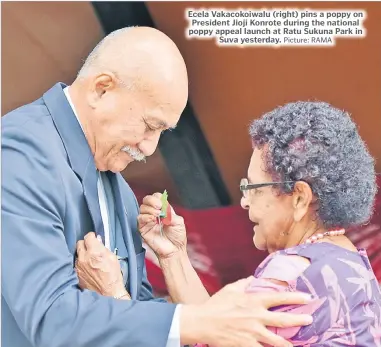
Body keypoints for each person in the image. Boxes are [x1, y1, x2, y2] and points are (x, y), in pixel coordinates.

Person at [1, 26, 314, 347]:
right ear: (102, 89)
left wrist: (180, 278)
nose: (150, 149)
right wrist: (201, 320)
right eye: (150, 126)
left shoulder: (119, 189)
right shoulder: (19, 153)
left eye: (162, 132)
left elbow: (137, 309)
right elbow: (52, 318)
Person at [77, 101, 381, 346]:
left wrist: (113, 297)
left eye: (253, 188)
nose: (245, 202)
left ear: (299, 198)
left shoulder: (292, 273)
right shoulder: (350, 264)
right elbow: (216, 331)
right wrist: (174, 256)